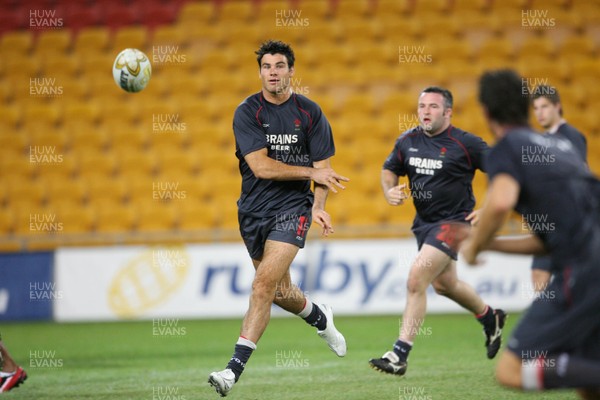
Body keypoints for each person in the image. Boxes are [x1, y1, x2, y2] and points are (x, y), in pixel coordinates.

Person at [208, 40, 349, 397]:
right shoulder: (247, 112)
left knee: (261, 286)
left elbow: (324, 171)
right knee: (280, 291)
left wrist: (317, 207)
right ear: (260, 73)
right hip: (253, 211)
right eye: (267, 67)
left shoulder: (311, 113)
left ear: (291, 71)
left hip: (293, 211)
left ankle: (232, 371)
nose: (273, 72)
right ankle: (320, 317)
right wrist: (309, 174)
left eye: (279, 66)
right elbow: (260, 166)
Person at [462, 69, 600, 399]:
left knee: (511, 369)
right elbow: (551, 239)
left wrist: (474, 246)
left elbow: (500, 203)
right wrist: (493, 245)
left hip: (584, 269)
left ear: (485, 111)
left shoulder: (507, 147)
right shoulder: (559, 146)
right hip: (589, 257)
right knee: (588, 380)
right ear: (527, 107)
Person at [368, 86, 506, 377]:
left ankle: (399, 354)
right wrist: (389, 189)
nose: (425, 112)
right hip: (425, 224)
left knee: (416, 278)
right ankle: (489, 317)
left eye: (432, 106)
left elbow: (503, 170)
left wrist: (489, 206)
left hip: (456, 223)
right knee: (445, 285)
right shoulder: (407, 141)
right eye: (421, 106)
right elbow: (388, 169)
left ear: (447, 112)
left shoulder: (466, 143)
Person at [529, 85, 588, 294]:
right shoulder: (543, 140)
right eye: (536, 108)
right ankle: (550, 322)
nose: (539, 112)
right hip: (549, 218)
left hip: (568, 221)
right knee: (539, 275)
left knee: (568, 280)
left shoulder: (570, 136)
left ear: (557, 106)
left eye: (544, 106)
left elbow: (578, 174)